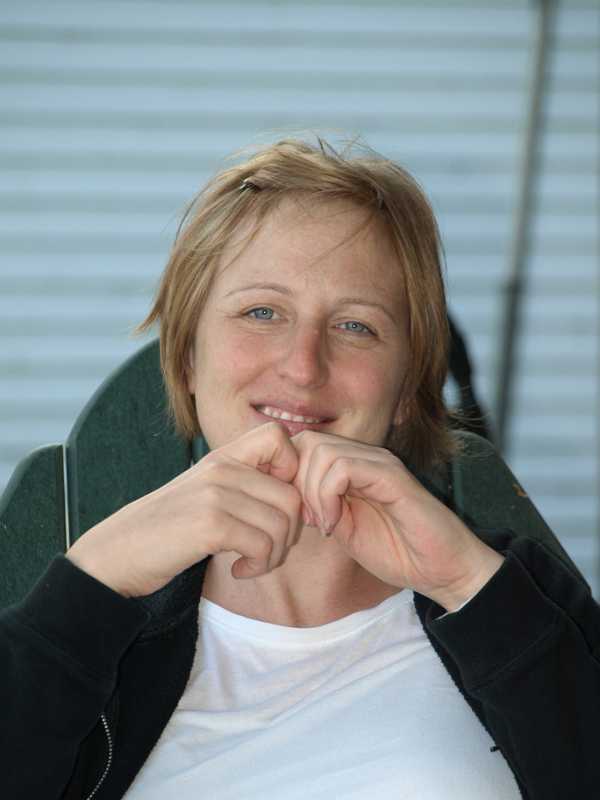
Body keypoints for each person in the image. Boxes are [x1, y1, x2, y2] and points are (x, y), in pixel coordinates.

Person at [2, 138, 599, 800]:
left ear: (407, 389)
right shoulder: (104, 626)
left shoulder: (519, 596)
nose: (303, 365)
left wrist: (466, 584)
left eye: (356, 326)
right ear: (189, 357)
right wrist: (96, 578)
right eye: (262, 312)